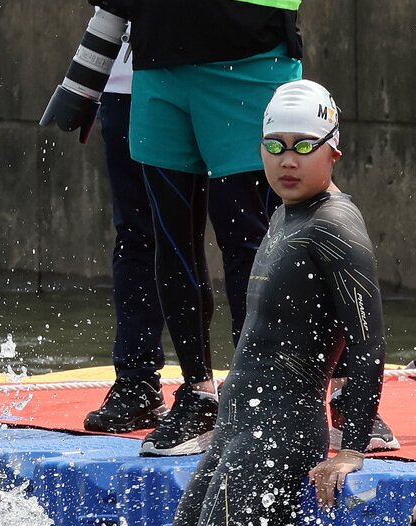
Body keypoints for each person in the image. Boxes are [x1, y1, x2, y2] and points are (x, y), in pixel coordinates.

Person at [156, 80, 383, 526]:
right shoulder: (287, 213)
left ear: (333, 153)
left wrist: (351, 447)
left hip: (278, 436)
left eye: (304, 146)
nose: (288, 159)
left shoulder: (335, 225)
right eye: (276, 145)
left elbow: (369, 341)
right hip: (238, 430)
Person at [91, 0, 301, 455]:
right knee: (170, 239)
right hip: (156, 60)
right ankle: (199, 395)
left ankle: (259, 396)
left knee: (251, 240)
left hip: (251, 58)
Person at [81, 33, 169, 434]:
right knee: (137, 235)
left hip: (225, 67)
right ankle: (138, 381)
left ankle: (271, 387)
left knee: (244, 234)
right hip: (128, 76)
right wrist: (83, 81)